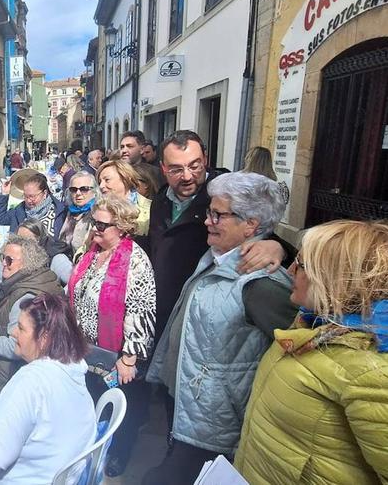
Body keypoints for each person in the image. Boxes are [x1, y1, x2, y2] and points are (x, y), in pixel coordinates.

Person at [144, 172, 298, 484]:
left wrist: (279, 248)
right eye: (209, 212)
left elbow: (295, 348)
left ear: (251, 225)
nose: (207, 221)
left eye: (218, 214)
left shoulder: (260, 283)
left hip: (214, 421)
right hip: (190, 404)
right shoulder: (217, 255)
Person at [235, 220, 388, 484]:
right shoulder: (312, 323)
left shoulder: (370, 369)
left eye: (302, 265)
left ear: (335, 277)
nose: (291, 269)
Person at [140, 131, 291, 344]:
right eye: (175, 169)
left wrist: (278, 247)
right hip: (164, 314)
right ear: (163, 168)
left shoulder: (224, 196)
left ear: (205, 160)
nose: (186, 176)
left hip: (203, 323)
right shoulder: (161, 199)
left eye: (195, 165)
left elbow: (258, 228)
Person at [0, 294, 95, 484]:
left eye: (21, 328)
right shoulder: (72, 368)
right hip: (60, 473)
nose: (13, 332)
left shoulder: (33, 380)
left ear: (44, 338)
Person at [68, 195, 156, 476]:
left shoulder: (136, 261)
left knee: (120, 412)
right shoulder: (91, 251)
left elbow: (141, 312)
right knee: (92, 406)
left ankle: (119, 451)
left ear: (122, 228)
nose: (95, 229)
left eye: (102, 225)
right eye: (94, 222)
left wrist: (129, 359)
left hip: (116, 357)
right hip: (86, 351)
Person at [0, 236, 64, 413]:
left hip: (19, 372)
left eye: (9, 260)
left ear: (27, 264)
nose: (3, 263)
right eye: (2, 257)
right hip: (28, 366)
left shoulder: (25, 299)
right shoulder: (23, 281)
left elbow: (15, 347)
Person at [0, 172, 67, 238]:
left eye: (32, 196)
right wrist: (4, 194)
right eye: (25, 196)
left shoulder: (58, 213)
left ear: (44, 194)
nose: (28, 200)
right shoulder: (19, 211)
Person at [97, 159, 151, 235]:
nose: (101, 186)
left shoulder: (150, 210)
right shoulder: (97, 209)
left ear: (125, 179)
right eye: (100, 182)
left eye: (107, 180)